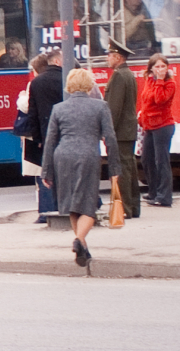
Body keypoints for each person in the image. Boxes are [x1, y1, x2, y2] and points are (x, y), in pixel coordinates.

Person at [42, 67, 123, 269]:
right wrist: (114, 167)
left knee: (72, 202)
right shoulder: (100, 107)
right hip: (87, 156)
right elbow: (110, 138)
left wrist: (46, 171)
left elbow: (50, 141)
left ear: (69, 85)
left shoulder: (58, 109)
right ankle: (79, 239)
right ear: (89, 85)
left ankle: (83, 246)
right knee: (88, 204)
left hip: (63, 157)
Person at [22, 49, 64, 224]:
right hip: (67, 132)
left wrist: (38, 138)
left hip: (47, 134)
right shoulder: (66, 79)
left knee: (47, 172)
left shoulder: (36, 83)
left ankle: (50, 209)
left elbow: (33, 114)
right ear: (57, 61)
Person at [101, 42, 141, 220]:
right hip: (127, 130)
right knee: (129, 167)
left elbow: (114, 109)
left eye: (109, 55)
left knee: (122, 170)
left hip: (120, 132)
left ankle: (125, 208)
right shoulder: (128, 74)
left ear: (118, 57)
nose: (107, 58)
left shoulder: (118, 76)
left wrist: (107, 131)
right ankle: (133, 206)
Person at [138, 51, 178, 207]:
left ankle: (165, 196)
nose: (161, 69)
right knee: (147, 159)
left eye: (164, 66)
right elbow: (146, 101)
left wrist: (161, 80)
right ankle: (153, 191)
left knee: (162, 161)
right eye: (157, 66)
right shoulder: (149, 80)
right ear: (151, 69)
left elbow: (160, 99)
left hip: (163, 126)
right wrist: (142, 118)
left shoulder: (170, 83)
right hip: (150, 126)